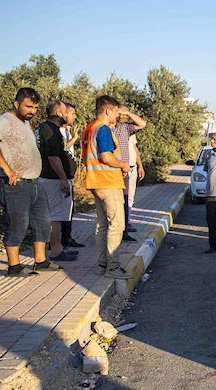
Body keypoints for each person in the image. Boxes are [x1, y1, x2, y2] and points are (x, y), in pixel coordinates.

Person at [0, 88, 62, 276]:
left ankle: (40, 261)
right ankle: (14, 266)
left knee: (43, 222)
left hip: (33, 182)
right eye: (28, 106)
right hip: (15, 184)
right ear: (16, 104)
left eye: (35, 107)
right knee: (18, 224)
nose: (32, 111)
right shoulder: (5, 121)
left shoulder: (24, 123)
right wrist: (7, 169)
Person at [82, 95, 133, 279]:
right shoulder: (103, 130)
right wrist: (123, 165)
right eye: (116, 112)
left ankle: (102, 265)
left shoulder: (90, 128)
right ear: (108, 111)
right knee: (116, 224)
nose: (118, 116)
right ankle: (113, 268)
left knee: (102, 225)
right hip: (108, 182)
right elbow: (106, 156)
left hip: (96, 182)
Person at [36, 100, 77, 262]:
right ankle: (56, 250)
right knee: (56, 217)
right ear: (59, 113)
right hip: (53, 180)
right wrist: (63, 179)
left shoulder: (45, 128)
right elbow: (53, 158)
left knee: (53, 215)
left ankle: (56, 247)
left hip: (48, 178)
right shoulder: (51, 130)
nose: (68, 115)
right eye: (66, 112)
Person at [112, 104, 147, 242]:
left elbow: (142, 124)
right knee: (113, 203)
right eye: (119, 113)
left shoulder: (126, 127)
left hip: (125, 170)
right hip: (112, 170)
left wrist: (128, 112)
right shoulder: (107, 127)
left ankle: (124, 231)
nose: (121, 116)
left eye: (123, 114)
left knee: (126, 201)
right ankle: (114, 233)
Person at [60, 102, 84, 248]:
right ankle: (61, 240)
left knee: (68, 208)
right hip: (59, 177)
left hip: (67, 176)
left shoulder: (67, 130)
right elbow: (62, 148)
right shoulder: (56, 130)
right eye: (72, 113)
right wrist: (74, 139)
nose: (74, 116)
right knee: (61, 210)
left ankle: (66, 237)